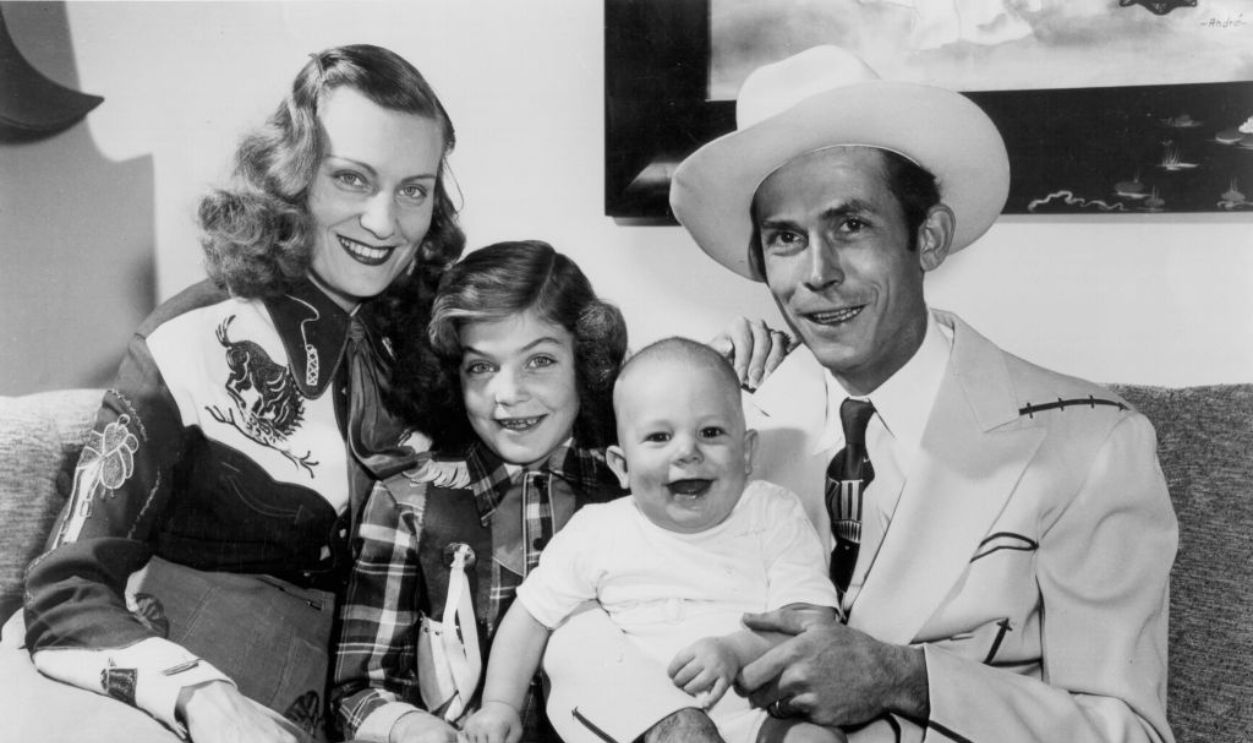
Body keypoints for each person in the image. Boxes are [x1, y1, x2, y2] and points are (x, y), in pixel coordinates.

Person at [544, 45, 1178, 743]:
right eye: (786, 238)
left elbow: (1128, 731)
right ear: (760, 263)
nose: (817, 272)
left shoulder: (1089, 445)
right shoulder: (724, 421)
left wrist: (907, 677)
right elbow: (579, 606)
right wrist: (665, 718)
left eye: (851, 225)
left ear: (928, 237)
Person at [6, 44, 464, 743]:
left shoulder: (440, 346)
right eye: (351, 178)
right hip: (155, 692)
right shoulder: (188, 337)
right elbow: (65, 589)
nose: (383, 222)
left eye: (413, 189)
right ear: (293, 175)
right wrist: (199, 697)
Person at [462, 337, 843, 743]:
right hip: (644, 724)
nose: (687, 452)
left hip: (763, 712)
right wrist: (500, 705)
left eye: (711, 432)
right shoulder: (598, 531)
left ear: (747, 451)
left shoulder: (772, 512)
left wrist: (736, 649)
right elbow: (530, 618)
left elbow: (809, 621)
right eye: (659, 437)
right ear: (621, 466)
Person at [331, 240, 630, 743]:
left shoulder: (630, 491)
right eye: (481, 367)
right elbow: (357, 691)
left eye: (539, 361)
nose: (508, 393)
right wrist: (413, 730)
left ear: (587, 360)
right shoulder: (407, 500)